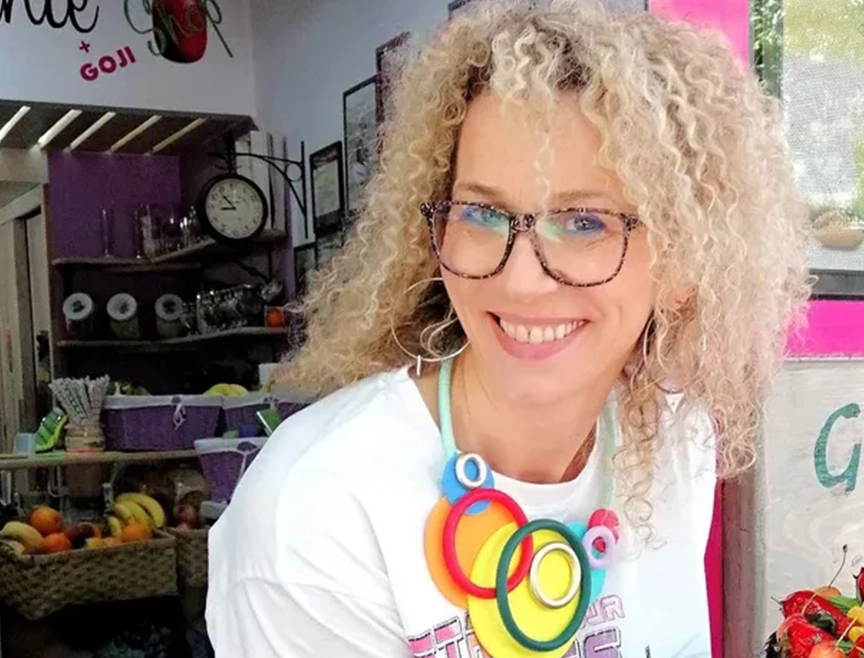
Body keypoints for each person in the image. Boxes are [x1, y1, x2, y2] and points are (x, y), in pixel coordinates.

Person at [206, 0, 808, 656]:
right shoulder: (316, 510)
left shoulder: (672, 436)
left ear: (686, 258)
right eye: (481, 214)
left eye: (585, 222)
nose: (520, 281)